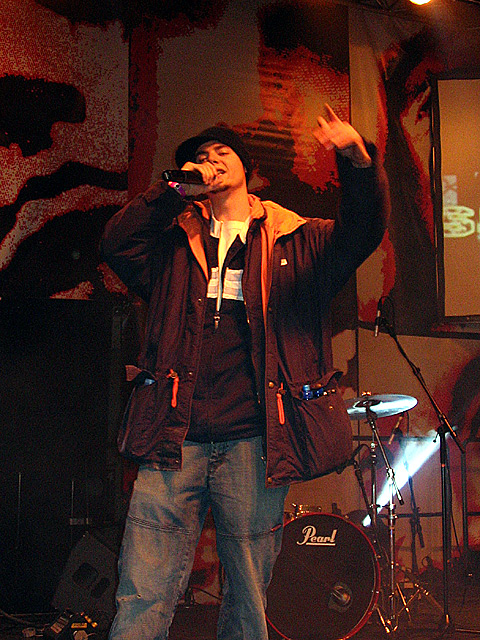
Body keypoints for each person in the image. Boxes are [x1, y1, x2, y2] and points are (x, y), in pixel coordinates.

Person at [100, 104, 389, 640]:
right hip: (173, 439)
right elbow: (115, 244)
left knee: (249, 602)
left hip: (253, 444)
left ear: (246, 170)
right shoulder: (171, 244)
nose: (210, 160)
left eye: (221, 153)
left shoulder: (295, 238)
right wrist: (173, 190)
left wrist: (356, 160)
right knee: (142, 592)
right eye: (200, 156)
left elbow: (362, 231)